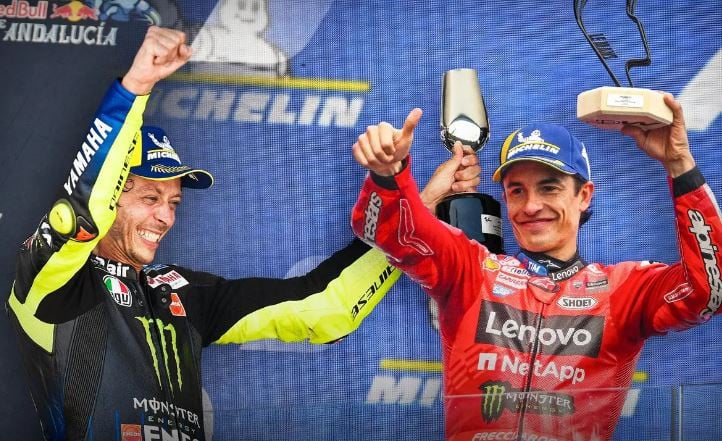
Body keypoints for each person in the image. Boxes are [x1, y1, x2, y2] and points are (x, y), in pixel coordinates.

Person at [5, 27, 480, 441]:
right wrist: (135, 90)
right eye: (150, 198)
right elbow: (84, 212)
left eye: (174, 203)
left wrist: (419, 209)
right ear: (115, 196)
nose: (165, 217)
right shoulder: (53, 282)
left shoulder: (183, 294)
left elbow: (327, 306)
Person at [350, 97, 722, 441]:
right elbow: (389, 232)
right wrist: (387, 174)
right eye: (517, 191)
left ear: (583, 196)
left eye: (549, 188)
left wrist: (680, 166)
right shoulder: (472, 271)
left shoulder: (624, 290)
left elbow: (711, 290)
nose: (530, 206)